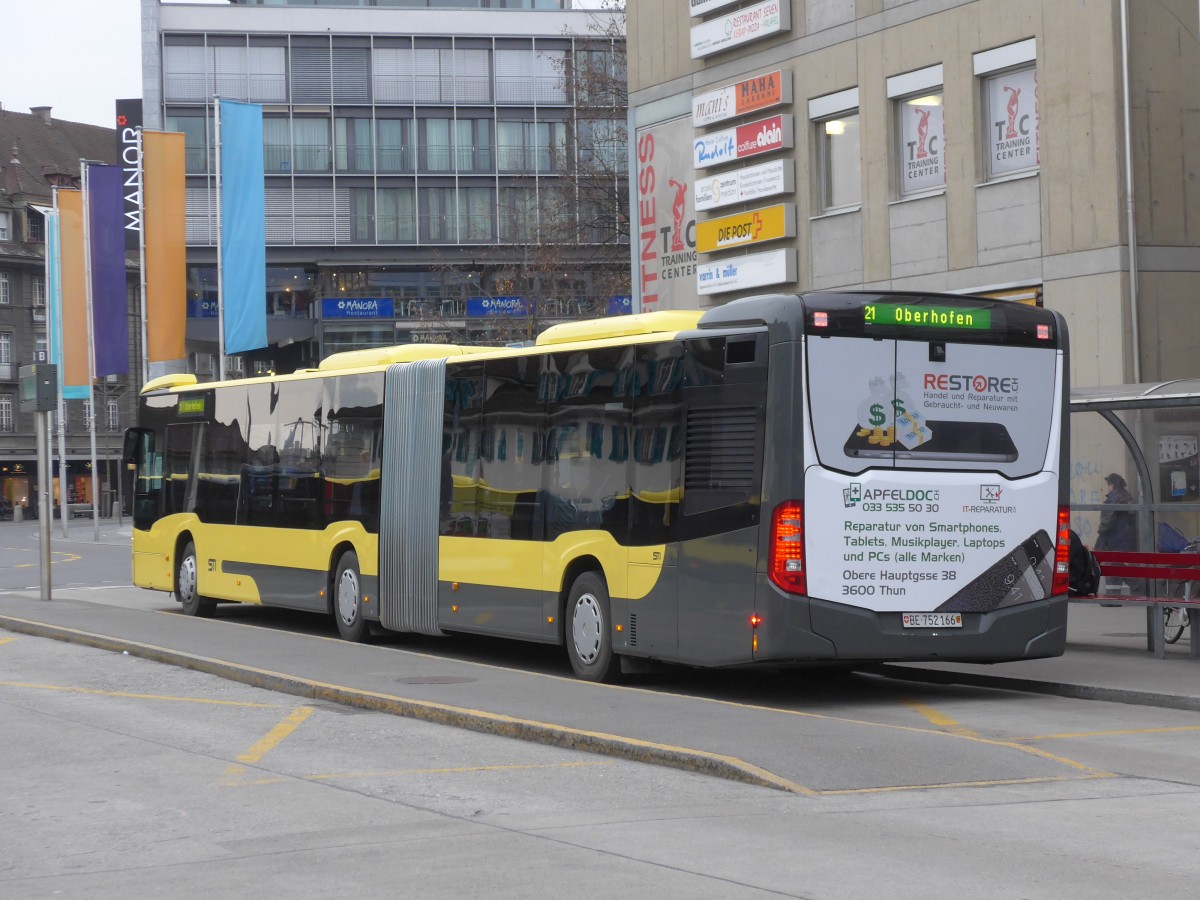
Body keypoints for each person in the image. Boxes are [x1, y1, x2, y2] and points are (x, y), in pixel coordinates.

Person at [1095, 473, 1139, 592]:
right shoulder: (1126, 495)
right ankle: (1133, 585)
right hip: (1126, 537)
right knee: (1114, 563)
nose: (1107, 487)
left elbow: (1108, 520)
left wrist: (1101, 533)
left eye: (1108, 484)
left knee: (1110, 564)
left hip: (1115, 537)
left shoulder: (1115, 498)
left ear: (1112, 485)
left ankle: (1132, 586)